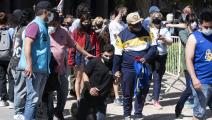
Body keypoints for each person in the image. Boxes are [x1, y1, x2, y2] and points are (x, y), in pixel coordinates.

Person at [43, 11, 94, 120]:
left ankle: (59, 110)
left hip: (61, 69)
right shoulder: (43, 31)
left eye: (55, 23)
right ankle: (49, 114)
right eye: (51, 23)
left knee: (64, 91)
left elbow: (74, 44)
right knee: (50, 94)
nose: (53, 25)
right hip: (48, 70)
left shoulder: (64, 31)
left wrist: (86, 53)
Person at [113, 12, 157, 120]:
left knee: (142, 91)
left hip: (144, 67)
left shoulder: (148, 31)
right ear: (129, 24)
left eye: (139, 23)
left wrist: (146, 58)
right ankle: (127, 115)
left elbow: (153, 48)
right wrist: (116, 70)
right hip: (128, 68)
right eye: (135, 24)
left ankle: (138, 114)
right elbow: (117, 55)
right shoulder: (122, 35)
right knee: (127, 93)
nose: (138, 26)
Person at [17, 1, 53, 119]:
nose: (51, 14)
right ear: (45, 11)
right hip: (34, 69)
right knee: (32, 99)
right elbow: (27, 44)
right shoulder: (35, 25)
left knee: (36, 100)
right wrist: (29, 65)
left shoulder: (43, 25)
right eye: (50, 11)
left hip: (41, 69)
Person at [185, 8, 212, 120]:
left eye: (211, 27)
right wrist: (194, 79)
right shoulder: (193, 38)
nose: (209, 29)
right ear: (200, 24)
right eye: (206, 27)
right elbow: (189, 60)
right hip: (202, 82)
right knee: (199, 114)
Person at [76, 44, 115, 120]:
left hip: (102, 97)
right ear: (101, 54)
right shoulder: (94, 61)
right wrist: (90, 88)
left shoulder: (114, 64)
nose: (109, 58)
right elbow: (85, 74)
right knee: (81, 117)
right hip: (88, 94)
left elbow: (115, 79)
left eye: (111, 56)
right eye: (106, 56)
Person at [175, 13, 199, 118]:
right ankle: (178, 108)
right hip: (188, 64)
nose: (194, 24)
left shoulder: (198, 32)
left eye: (195, 21)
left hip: (199, 64)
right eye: (192, 21)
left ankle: (198, 111)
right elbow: (187, 42)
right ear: (187, 23)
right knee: (189, 89)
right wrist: (192, 34)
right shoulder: (183, 32)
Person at [72, 15, 100, 101]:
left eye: (88, 22)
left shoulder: (92, 32)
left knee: (86, 77)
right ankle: (78, 97)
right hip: (78, 55)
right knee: (78, 78)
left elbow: (97, 45)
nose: (86, 23)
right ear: (81, 22)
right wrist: (71, 59)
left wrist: (98, 56)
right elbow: (72, 45)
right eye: (84, 22)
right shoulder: (76, 31)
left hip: (89, 55)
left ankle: (83, 95)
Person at [150, 12, 172, 109]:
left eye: (158, 18)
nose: (156, 19)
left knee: (158, 78)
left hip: (161, 56)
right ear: (151, 18)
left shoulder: (164, 30)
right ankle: (143, 97)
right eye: (155, 18)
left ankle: (155, 100)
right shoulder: (148, 29)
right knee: (146, 78)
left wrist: (163, 39)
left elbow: (170, 42)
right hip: (150, 56)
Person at [109, 5, 128, 105]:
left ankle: (122, 95)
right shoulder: (113, 24)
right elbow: (119, 37)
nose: (124, 15)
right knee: (116, 74)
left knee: (124, 74)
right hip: (117, 52)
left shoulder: (123, 24)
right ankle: (116, 97)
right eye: (122, 13)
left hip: (125, 51)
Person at [0, 11, 13, 107]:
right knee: (11, 78)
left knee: (1, 78)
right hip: (9, 57)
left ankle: (3, 99)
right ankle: (12, 100)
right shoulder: (11, 30)